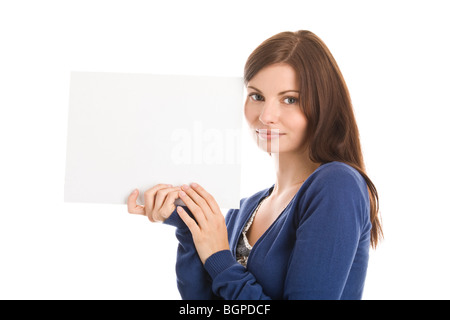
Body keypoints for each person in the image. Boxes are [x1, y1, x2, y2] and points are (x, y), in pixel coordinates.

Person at [127, 30, 382, 300]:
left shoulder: (336, 185)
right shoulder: (243, 210)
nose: (266, 116)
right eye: (256, 96)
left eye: (290, 99)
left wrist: (219, 257)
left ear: (323, 105)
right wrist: (190, 226)